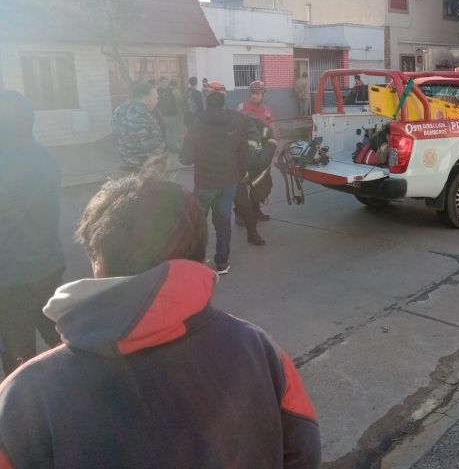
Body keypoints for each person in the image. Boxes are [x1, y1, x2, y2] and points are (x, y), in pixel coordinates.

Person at [0, 170, 321, 468]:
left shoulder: (24, 395)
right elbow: (303, 452)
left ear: (96, 259)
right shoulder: (260, 349)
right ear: (198, 250)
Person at [0, 91, 65, 377]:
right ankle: (71, 383)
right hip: (47, 263)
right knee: (57, 334)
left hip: (9, 278)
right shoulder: (45, 157)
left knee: (18, 352)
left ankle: (25, 407)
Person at [180, 81, 261, 274]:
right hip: (228, 182)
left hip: (205, 184)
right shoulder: (236, 120)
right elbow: (245, 152)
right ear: (224, 103)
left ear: (207, 104)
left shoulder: (196, 124)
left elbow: (185, 158)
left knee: (198, 222)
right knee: (223, 221)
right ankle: (222, 262)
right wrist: (240, 173)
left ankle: (195, 261)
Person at [237, 80, 275, 222]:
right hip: (246, 152)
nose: (254, 96)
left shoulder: (268, 110)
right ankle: (240, 214)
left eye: (258, 93)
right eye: (252, 93)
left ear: (263, 94)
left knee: (260, 183)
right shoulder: (242, 108)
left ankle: (256, 210)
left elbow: (272, 129)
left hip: (262, 153)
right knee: (243, 183)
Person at [111, 80, 165, 171]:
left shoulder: (119, 110)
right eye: (155, 98)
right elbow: (151, 146)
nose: (157, 101)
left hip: (123, 163)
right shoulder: (142, 115)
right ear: (146, 99)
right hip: (142, 167)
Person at [157, 77, 184, 151]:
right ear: (160, 82)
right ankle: (175, 148)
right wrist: (181, 115)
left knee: (167, 132)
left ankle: (169, 147)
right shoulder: (173, 90)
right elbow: (179, 103)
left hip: (163, 115)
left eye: (166, 82)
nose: (165, 83)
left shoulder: (157, 91)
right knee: (175, 132)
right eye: (164, 82)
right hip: (173, 114)